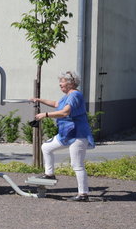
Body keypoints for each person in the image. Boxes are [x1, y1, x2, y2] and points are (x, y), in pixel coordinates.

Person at [30, 71, 95, 202]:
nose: (60, 84)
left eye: (62, 82)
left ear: (71, 83)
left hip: (77, 134)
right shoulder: (67, 96)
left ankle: (83, 194)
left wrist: (45, 115)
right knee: (47, 147)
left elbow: (65, 112)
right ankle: (49, 174)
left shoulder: (74, 95)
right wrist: (39, 99)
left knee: (77, 165)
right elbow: (56, 104)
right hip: (66, 134)